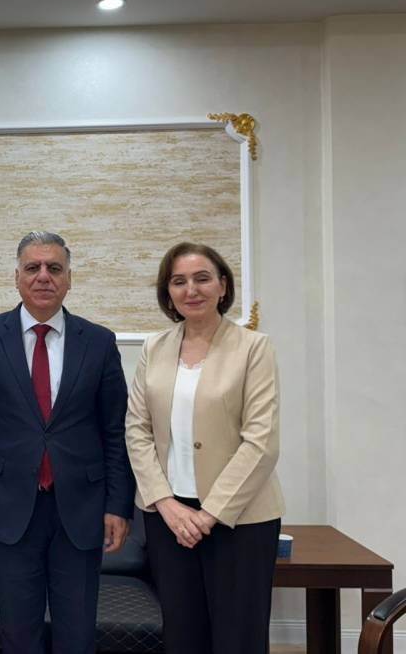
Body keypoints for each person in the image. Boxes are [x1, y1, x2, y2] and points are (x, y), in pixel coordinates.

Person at [0, 231, 136, 654]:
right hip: (9, 504)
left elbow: (115, 431)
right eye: (32, 268)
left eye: (54, 268)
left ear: (69, 279)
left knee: (77, 632)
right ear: (16, 277)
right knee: (18, 632)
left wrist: (118, 504)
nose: (43, 276)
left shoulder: (99, 341)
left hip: (82, 506)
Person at [124, 242, 284, 654]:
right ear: (168, 292)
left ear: (223, 285)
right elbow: (137, 430)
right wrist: (166, 504)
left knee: (238, 638)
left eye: (202, 278)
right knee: (182, 635)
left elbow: (261, 441)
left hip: (240, 520)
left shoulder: (254, 348)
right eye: (179, 281)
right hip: (168, 520)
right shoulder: (154, 348)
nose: (191, 289)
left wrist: (208, 514)